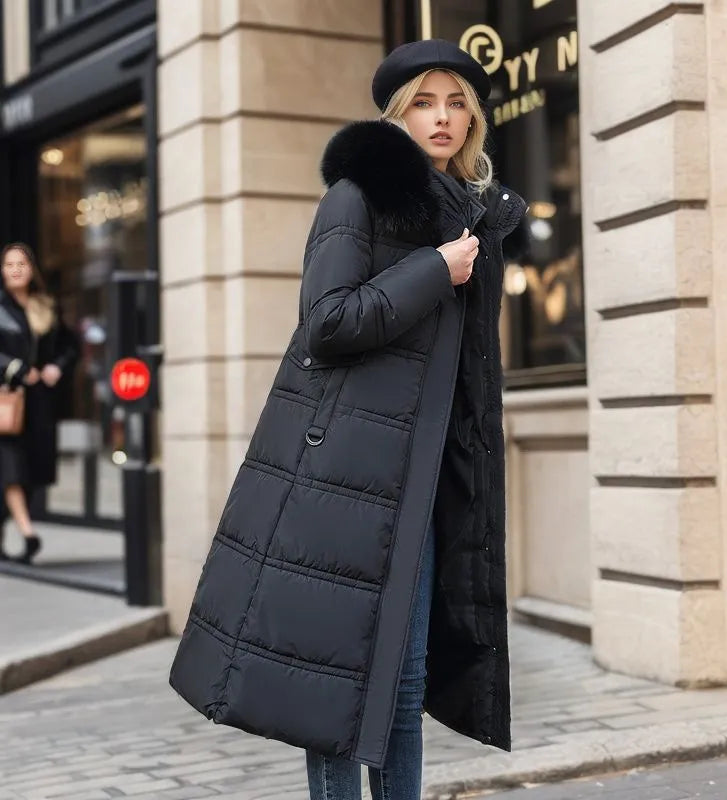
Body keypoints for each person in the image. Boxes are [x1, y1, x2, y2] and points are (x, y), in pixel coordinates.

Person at [169, 39, 528, 800]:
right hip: (348, 477)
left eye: (457, 101)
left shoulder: (473, 217)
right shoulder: (358, 198)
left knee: (404, 685)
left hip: (426, 481)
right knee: (332, 690)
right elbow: (327, 323)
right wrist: (434, 268)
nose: (444, 117)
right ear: (398, 113)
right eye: (425, 102)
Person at [0, 242, 77, 564]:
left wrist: (57, 367)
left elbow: (70, 345)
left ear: (32, 269)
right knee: (12, 468)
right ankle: (29, 534)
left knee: (31, 470)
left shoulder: (46, 306)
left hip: (39, 404)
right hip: (5, 402)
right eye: (9, 264)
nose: (16, 269)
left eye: (22, 263)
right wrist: (16, 370)